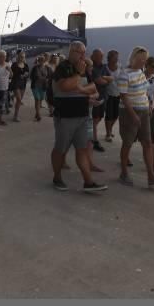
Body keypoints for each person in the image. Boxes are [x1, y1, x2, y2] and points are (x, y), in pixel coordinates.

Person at [50, 42, 107, 193]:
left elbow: (93, 89)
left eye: (84, 52)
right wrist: (79, 75)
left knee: (82, 150)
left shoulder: (83, 69)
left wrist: (80, 88)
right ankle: (57, 177)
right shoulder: (63, 67)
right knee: (60, 149)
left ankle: (88, 182)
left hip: (82, 115)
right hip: (65, 116)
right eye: (80, 52)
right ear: (72, 51)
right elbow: (65, 87)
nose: (83, 56)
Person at [117, 47, 154, 188]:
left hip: (144, 111)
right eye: (140, 59)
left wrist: (150, 106)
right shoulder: (124, 74)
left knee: (147, 143)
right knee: (127, 143)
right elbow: (123, 97)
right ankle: (124, 172)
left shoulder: (140, 72)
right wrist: (133, 115)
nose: (143, 61)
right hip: (129, 112)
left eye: (144, 59)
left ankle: (151, 176)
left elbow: (145, 91)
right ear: (133, 58)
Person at [89, 49, 111, 152]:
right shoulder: (90, 67)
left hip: (103, 96)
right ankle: (94, 140)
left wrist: (104, 79)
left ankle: (90, 135)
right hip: (94, 98)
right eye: (98, 56)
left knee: (99, 118)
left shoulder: (104, 66)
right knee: (94, 119)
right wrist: (105, 80)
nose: (100, 58)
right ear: (92, 56)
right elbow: (100, 81)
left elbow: (111, 78)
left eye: (101, 56)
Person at [103, 50, 121, 142]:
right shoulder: (105, 68)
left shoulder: (120, 68)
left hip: (118, 94)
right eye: (115, 57)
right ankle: (108, 133)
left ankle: (110, 129)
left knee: (116, 115)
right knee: (109, 115)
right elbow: (101, 78)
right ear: (109, 57)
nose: (117, 59)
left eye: (117, 57)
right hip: (108, 95)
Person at [9, 51, 30, 122]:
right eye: (21, 56)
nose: (22, 58)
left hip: (23, 84)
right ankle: (15, 116)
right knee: (18, 98)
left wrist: (25, 75)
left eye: (23, 57)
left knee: (19, 100)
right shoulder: (14, 65)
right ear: (18, 57)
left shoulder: (26, 65)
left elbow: (27, 73)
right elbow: (11, 74)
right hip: (15, 83)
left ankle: (16, 113)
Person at [29, 54, 49, 121]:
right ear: (38, 61)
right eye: (40, 60)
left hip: (43, 86)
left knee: (41, 99)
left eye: (43, 60)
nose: (41, 61)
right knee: (37, 99)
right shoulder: (35, 67)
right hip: (35, 86)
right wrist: (37, 78)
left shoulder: (47, 68)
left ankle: (37, 113)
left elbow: (49, 75)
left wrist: (47, 79)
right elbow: (31, 76)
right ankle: (38, 114)